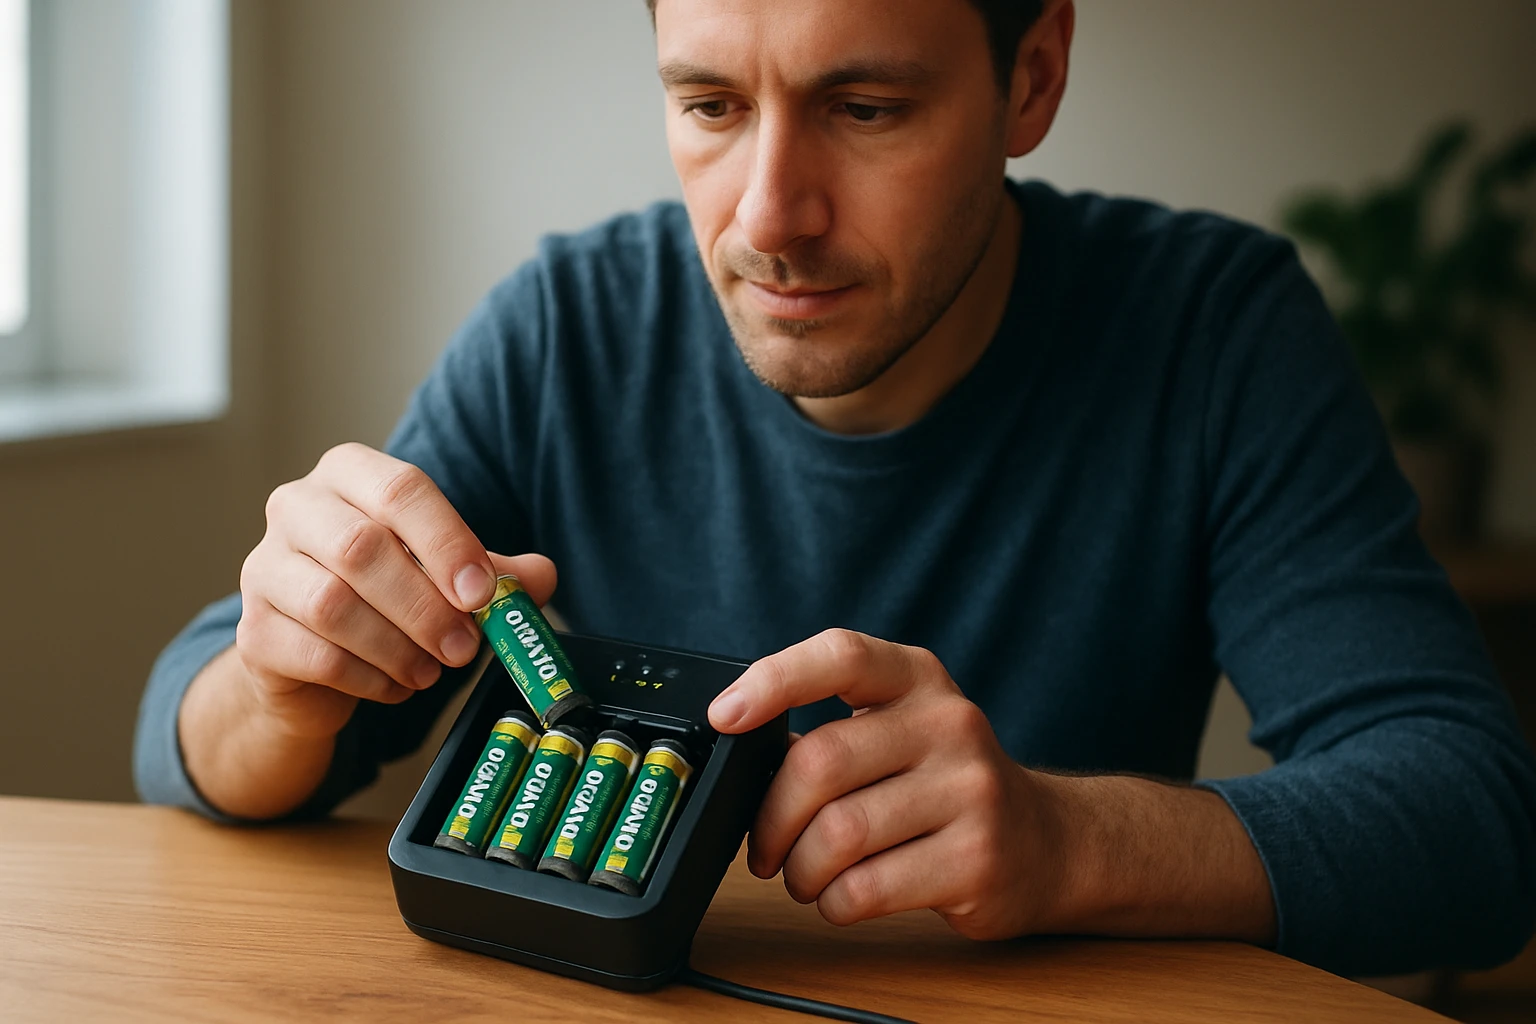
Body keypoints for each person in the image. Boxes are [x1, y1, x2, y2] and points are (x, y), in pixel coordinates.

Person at [135, 0, 1536, 978]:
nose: (767, 217)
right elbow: (186, 732)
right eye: (709, 105)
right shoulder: (570, 324)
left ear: (1032, 75)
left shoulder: (1212, 330)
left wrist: (1068, 840)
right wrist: (274, 692)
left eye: (865, 108)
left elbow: (1475, 820)